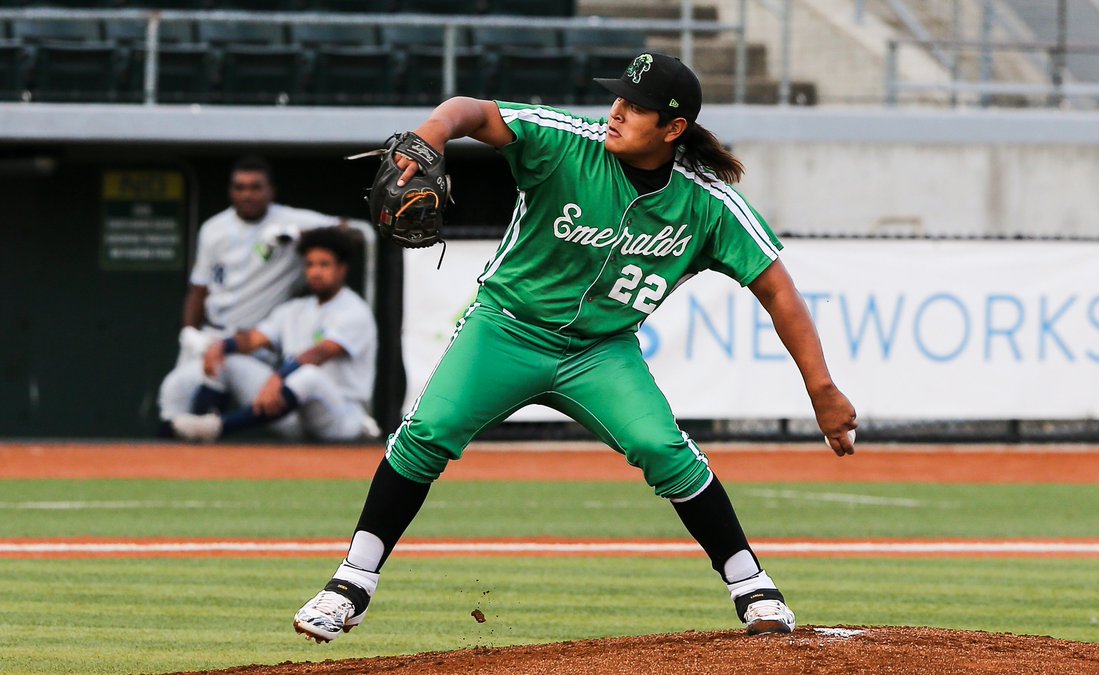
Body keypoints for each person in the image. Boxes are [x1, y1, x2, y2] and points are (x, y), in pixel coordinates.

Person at [293, 52, 857, 643]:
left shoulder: (706, 204)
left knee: (661, 447)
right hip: (506, 329)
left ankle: (752, 587)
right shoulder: (565, 142)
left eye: (635, 106)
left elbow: (779, 291)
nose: (616, 110)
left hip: (601, 350)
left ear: (673, 128)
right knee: (425, 435)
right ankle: (351, 583)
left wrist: (821, 388)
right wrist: (430, 135)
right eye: (617, 97)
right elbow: (472, 112)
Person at [157, 156, 348, 434]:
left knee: (285, 422)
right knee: (173, 396)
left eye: (255, 187)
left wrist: (296, 234)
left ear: (271, 190)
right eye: (239, 187)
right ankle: (169, 469)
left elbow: (352, 230)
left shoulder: (289, 219)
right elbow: (199, 289)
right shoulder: (214, 229)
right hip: (210, 335)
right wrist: (189, 331)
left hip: (253, 345)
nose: (247, 194)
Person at [170, 227, 379, 442]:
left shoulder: (354, 310)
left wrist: (278, 377)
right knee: (228, 359)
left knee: (308, 375)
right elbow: (253, 339)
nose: (316, 271)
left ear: (342, 269)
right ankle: (197, 436)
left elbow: (319, 353)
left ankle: (219, 427)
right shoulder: (294, 309)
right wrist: (221, 346)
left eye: (324, 264)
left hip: (340, 417)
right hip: (290, 411)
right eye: (310, 265)